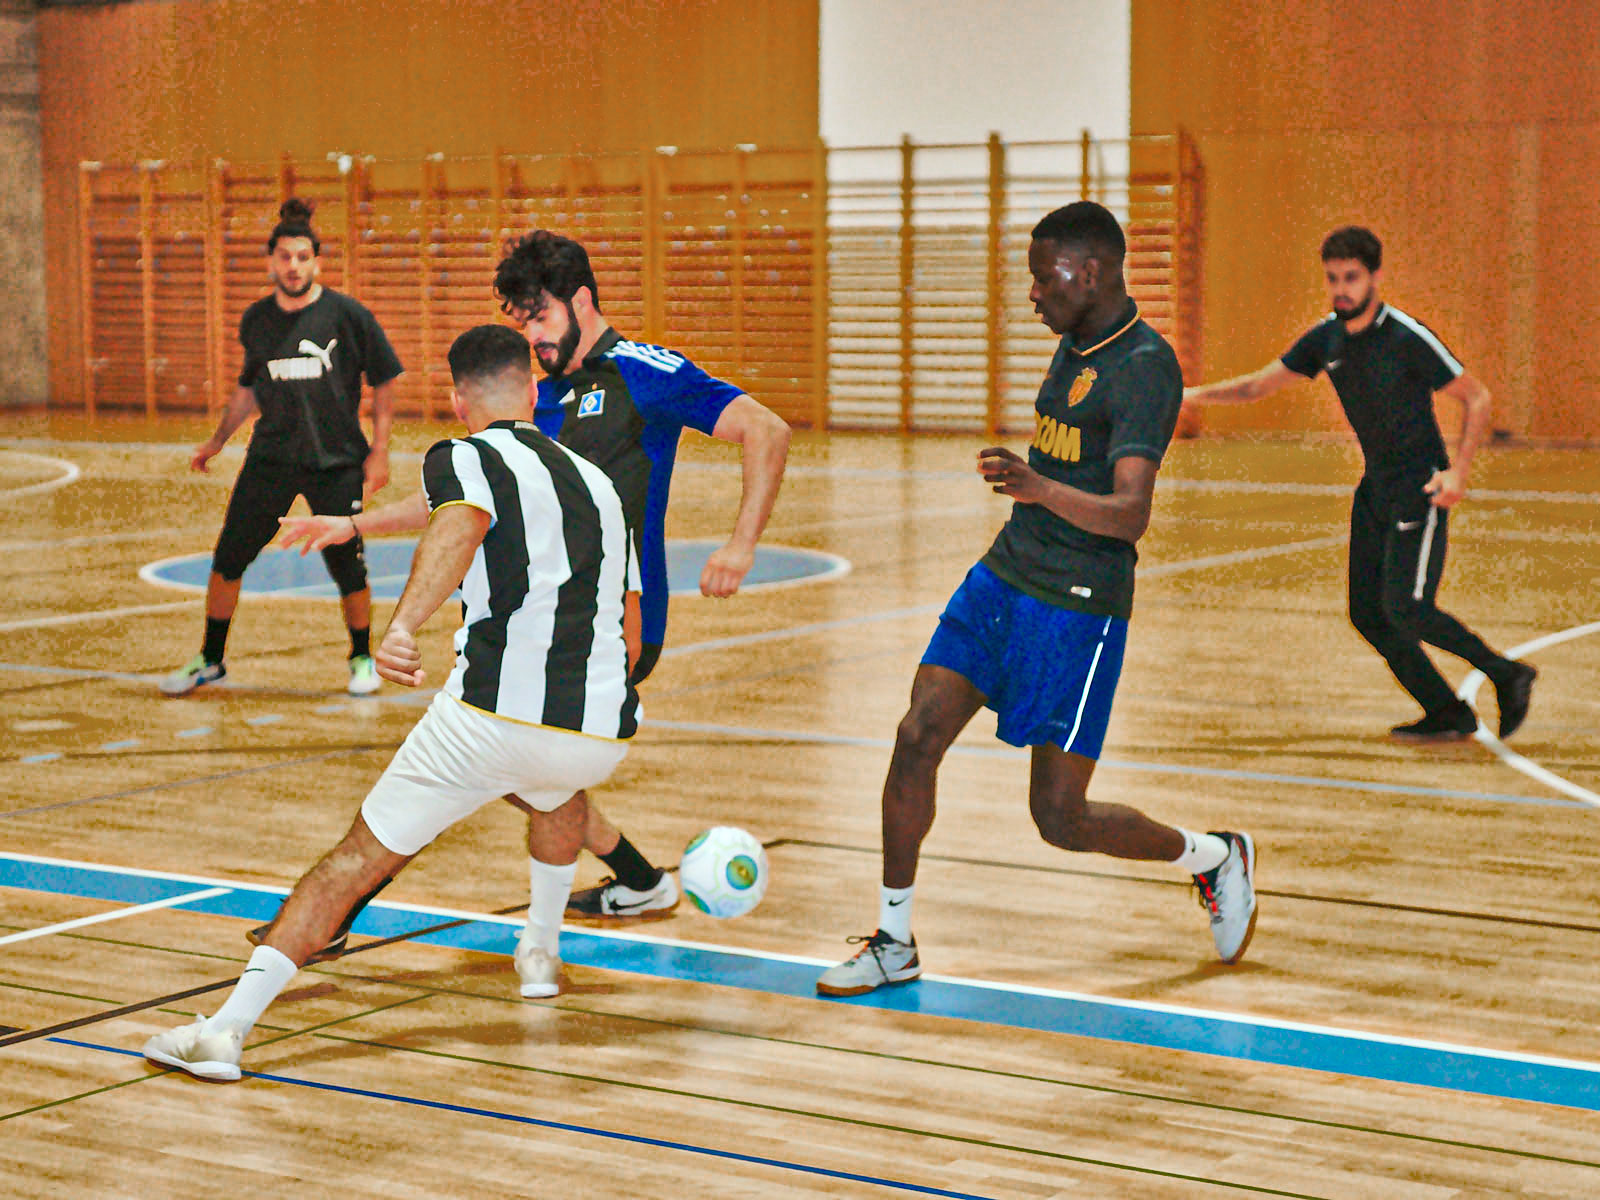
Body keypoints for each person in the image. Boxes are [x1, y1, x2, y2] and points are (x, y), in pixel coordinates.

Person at [263, 229, 792, 953]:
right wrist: (353, 525)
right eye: (522, 323)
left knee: (471, 761)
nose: (533, 337)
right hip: (529, 624)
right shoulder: (534, 395)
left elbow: (766, 429)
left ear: (581, 301)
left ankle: (333, 920)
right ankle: (638, 878)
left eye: (540, 317)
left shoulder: (645, 374)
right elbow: (465, 493)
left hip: (614, 626)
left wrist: (740, 543)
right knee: (519, 769)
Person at [142, 324, 640, 1081]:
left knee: (350, 862)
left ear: (455, 399)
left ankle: (224, 1032)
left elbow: (460, 517)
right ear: (534, 392)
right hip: (600, 730)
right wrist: (353, 522)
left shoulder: (464, 456)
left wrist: (402, 625)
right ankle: (539, 951)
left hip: (490, 720)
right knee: (555, 788)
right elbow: (630, 624)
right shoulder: (596, 482)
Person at [815, 202, 1257, 998]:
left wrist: (1035, 483)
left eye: (1042, 277)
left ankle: (1215, 856)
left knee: (1060, 817)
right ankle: (892, 938)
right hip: (1006, 574)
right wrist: (1032, 482)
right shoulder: (1074, 343)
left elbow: (1131, 514)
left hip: (1080, 602)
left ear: (1090, 272)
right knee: (917, 735)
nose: (1031, 295)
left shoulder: (1145, 367)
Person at [1182, 226, 1536, 742]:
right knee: (1368, 613)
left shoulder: (1406, 336)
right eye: (1332, 278)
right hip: (1376, 491)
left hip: (1422, 487)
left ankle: (1507, 673)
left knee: (1408, 608)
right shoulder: (1325, 339)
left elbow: (1476, 397)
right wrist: (1188, 395)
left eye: (1351, 277)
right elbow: (1259, 384)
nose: (1341, 289)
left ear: (1375, 277)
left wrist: (1458, 472)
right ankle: (1447, 711)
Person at [159, 198, 403, 699]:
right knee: (228, 558)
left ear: (316, 261)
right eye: (285, 257)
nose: (293, 266)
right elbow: (249, 387)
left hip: (336, 462)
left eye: (302, 257)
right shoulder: (257, 320)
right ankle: (210, 659)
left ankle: (360, 657)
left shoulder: (347, 316)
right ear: (271, 262)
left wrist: (379, 452)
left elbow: (386, 380)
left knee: (347, 566)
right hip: (270, 460)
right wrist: (217, 440)